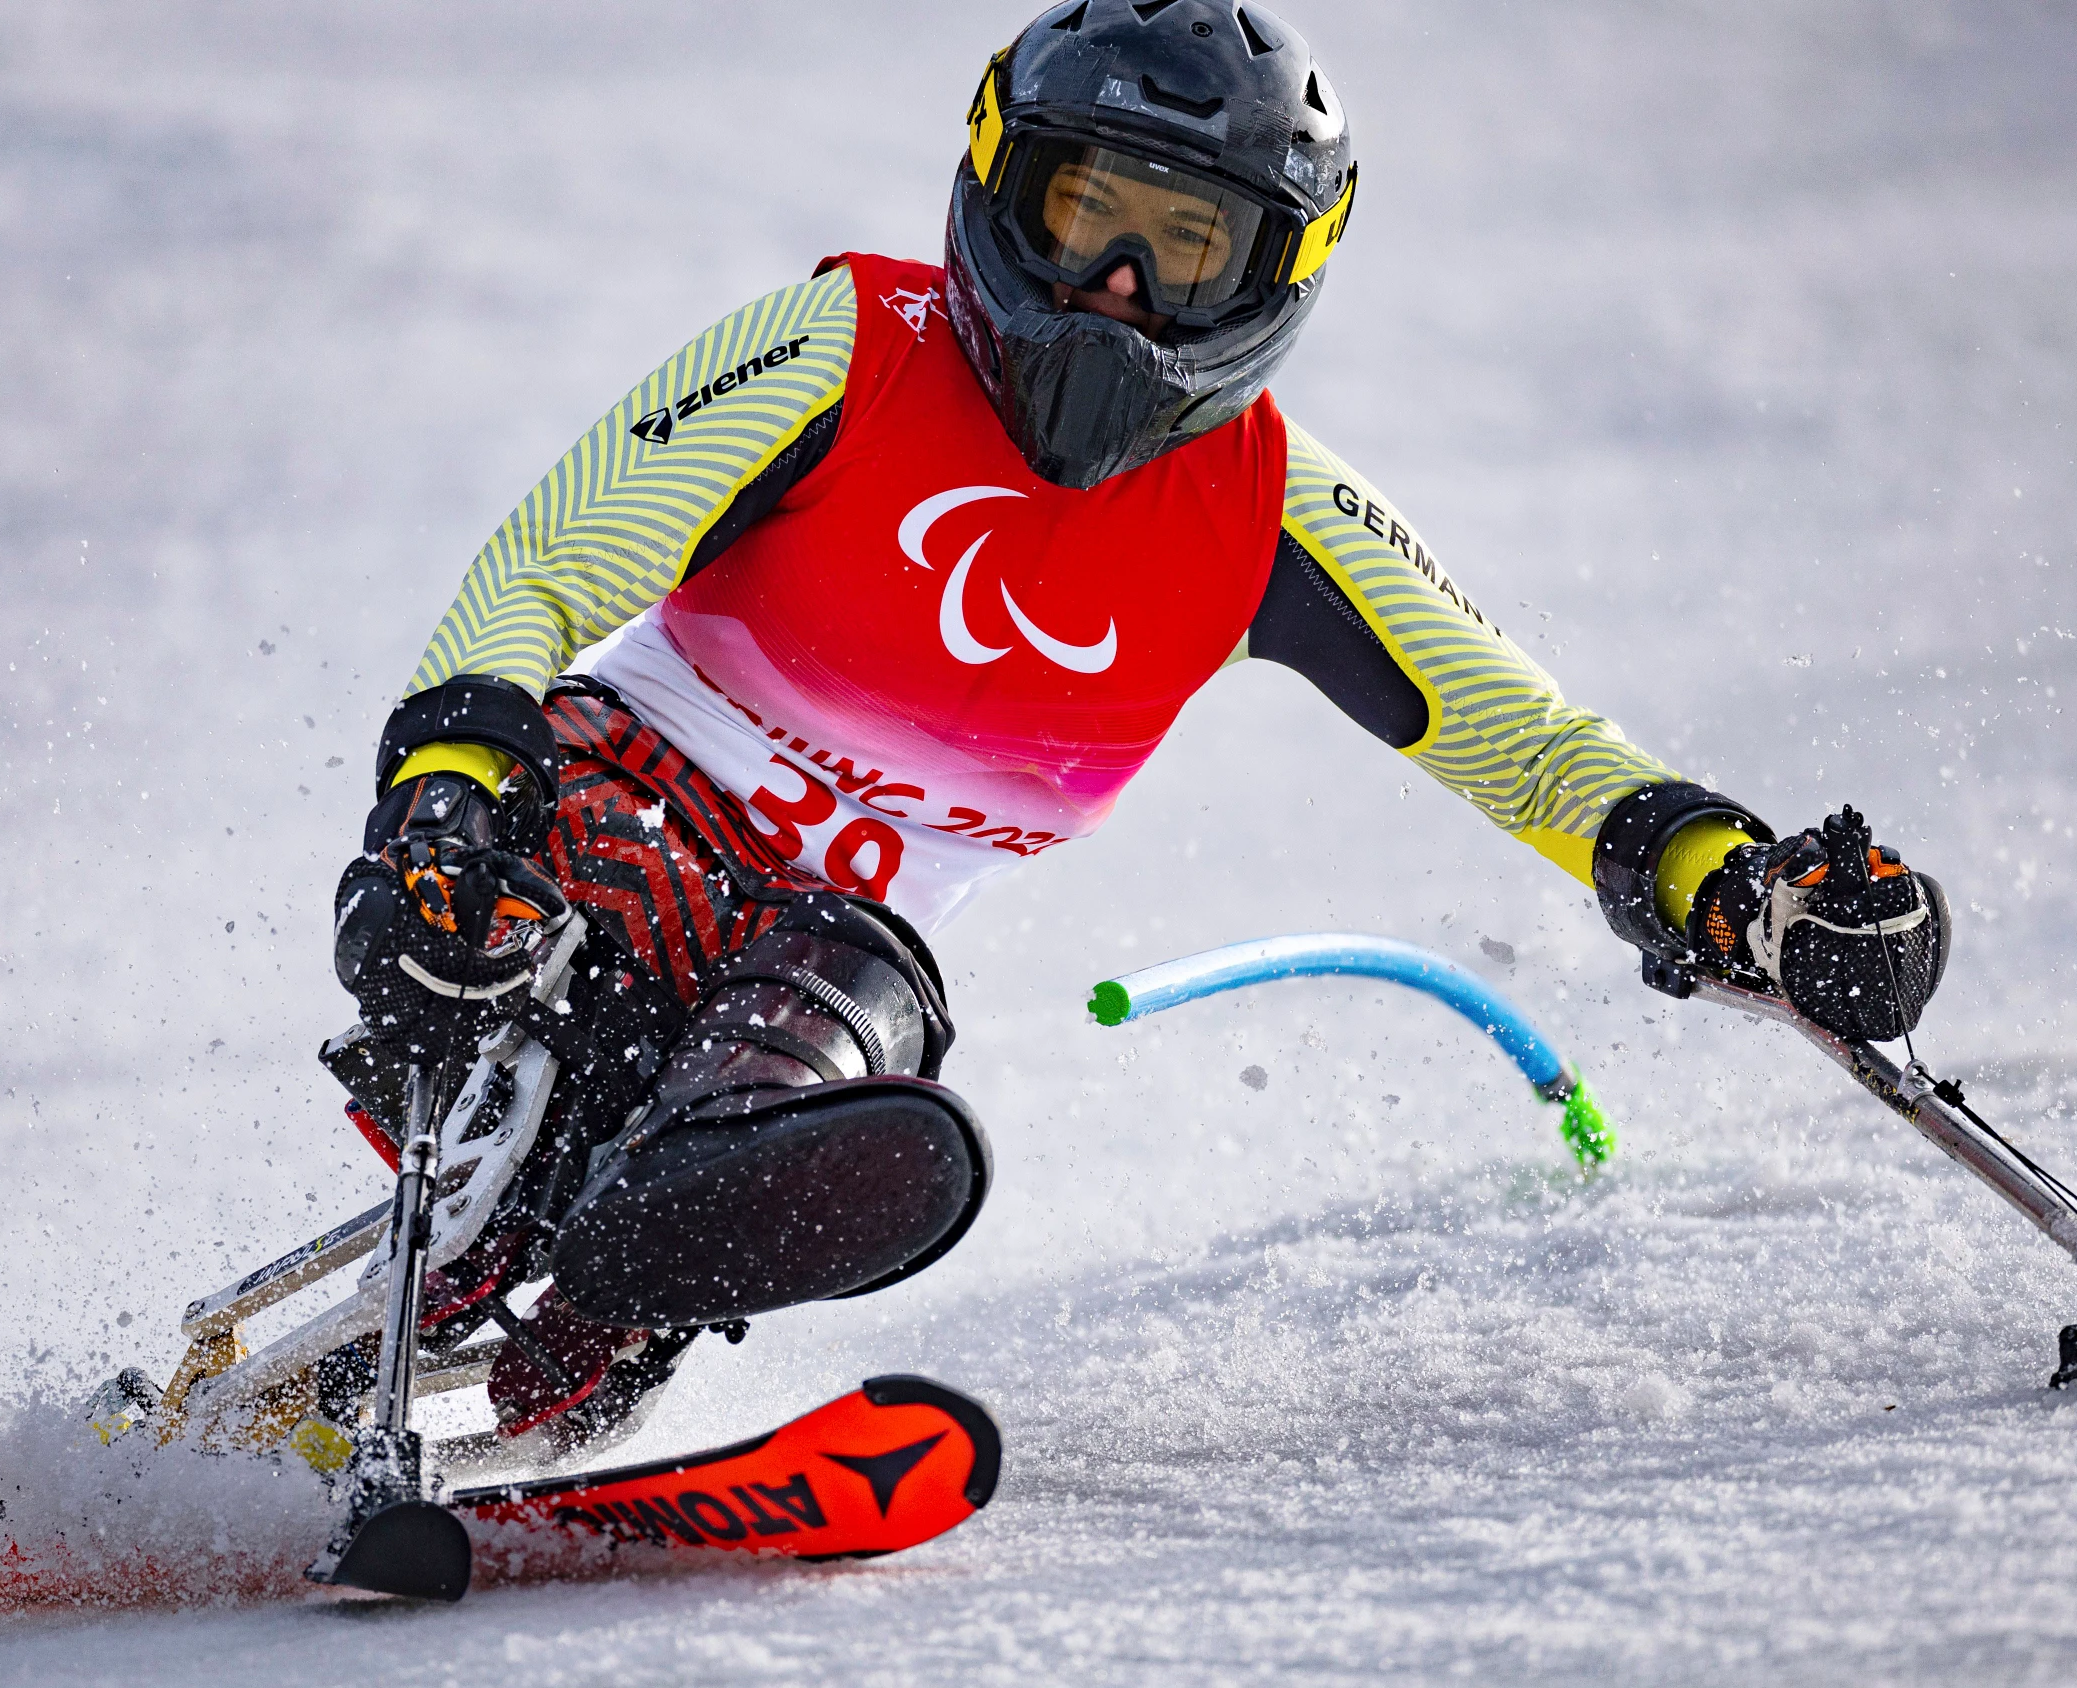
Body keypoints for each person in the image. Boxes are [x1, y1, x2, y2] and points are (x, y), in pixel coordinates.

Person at [326, 0, 1950, 1457]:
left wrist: (1743, 890)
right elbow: (546, 572)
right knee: (741, 963)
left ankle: (630, 1276)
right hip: (597, 833)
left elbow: (1531, 749)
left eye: (1185, 245)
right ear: (998, 180)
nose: (1112, 283)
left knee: (870, 994)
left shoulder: (1267, 516)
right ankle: (592, 1186)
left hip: (815, 964)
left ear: (1276, 275)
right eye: (1083, 210)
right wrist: (446, 811)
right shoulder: (846, 349)